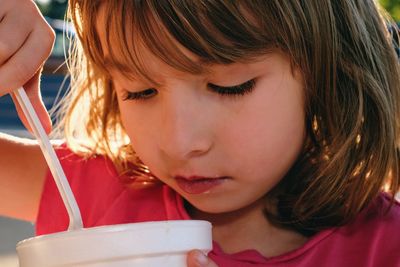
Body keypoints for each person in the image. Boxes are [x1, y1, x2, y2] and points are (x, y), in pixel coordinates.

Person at [1, 0, 399, 266]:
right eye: (140, 91)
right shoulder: (92, 190)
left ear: (328, 69)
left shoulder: (383, 247)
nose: (180, 143)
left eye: (231, 87)